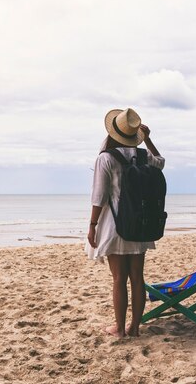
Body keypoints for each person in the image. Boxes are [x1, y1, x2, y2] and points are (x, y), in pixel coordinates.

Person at [85, 107, 165, 338]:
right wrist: (147, 140)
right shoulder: (141, 155)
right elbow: (160, 162)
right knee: (137, 278)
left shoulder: (106, 158)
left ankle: (119, 329)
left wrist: (92, 225)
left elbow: (99, 196)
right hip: (139, 223)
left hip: (116, 224)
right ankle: (135, 328)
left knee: (119, 278)